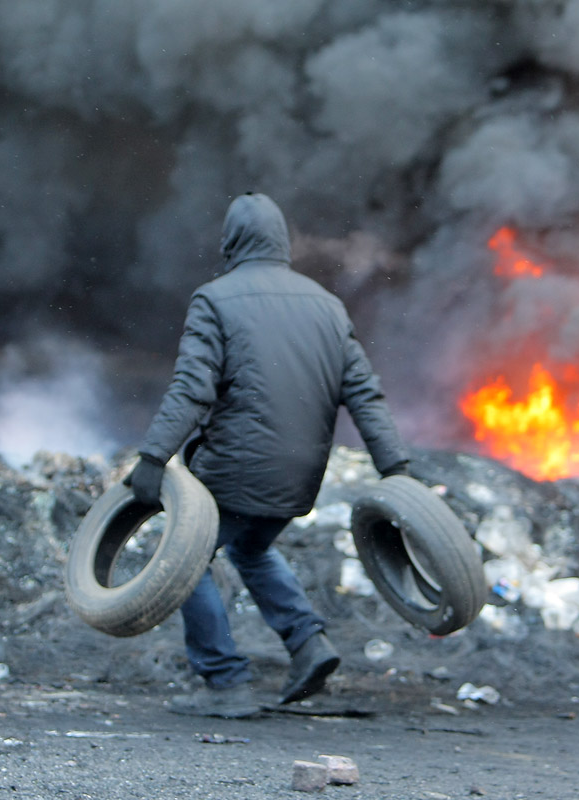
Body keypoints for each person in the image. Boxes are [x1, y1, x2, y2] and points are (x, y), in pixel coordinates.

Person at [126, 192, 410, 718]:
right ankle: (308, 645)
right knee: (251, 548)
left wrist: (152, 456)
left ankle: (225, 681)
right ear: (282, 241)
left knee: (185, 562)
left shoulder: (215, 299)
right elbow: (364, 394)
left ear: (231, 241)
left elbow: (192, 388)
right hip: (300, 475)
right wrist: (396, 467)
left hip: (232, 469)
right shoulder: (327, 306)